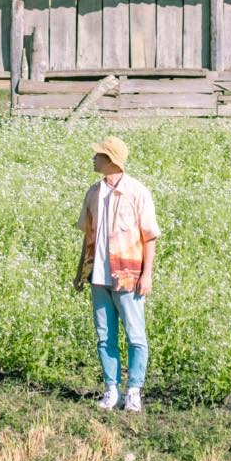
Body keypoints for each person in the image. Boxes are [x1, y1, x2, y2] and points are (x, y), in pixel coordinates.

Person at [74, 135, 161, 412]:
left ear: (110, 160)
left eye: (98, 155)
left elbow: (149, 237)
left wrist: (147, 275)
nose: (93, 158)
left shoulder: (138, 192)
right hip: (98, 277)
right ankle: (111, 389)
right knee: (104, 336)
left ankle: (134, 390)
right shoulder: (93, 193)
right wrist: (80, 272)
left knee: (136, 335)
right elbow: (88, 237)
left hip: (128, 276)